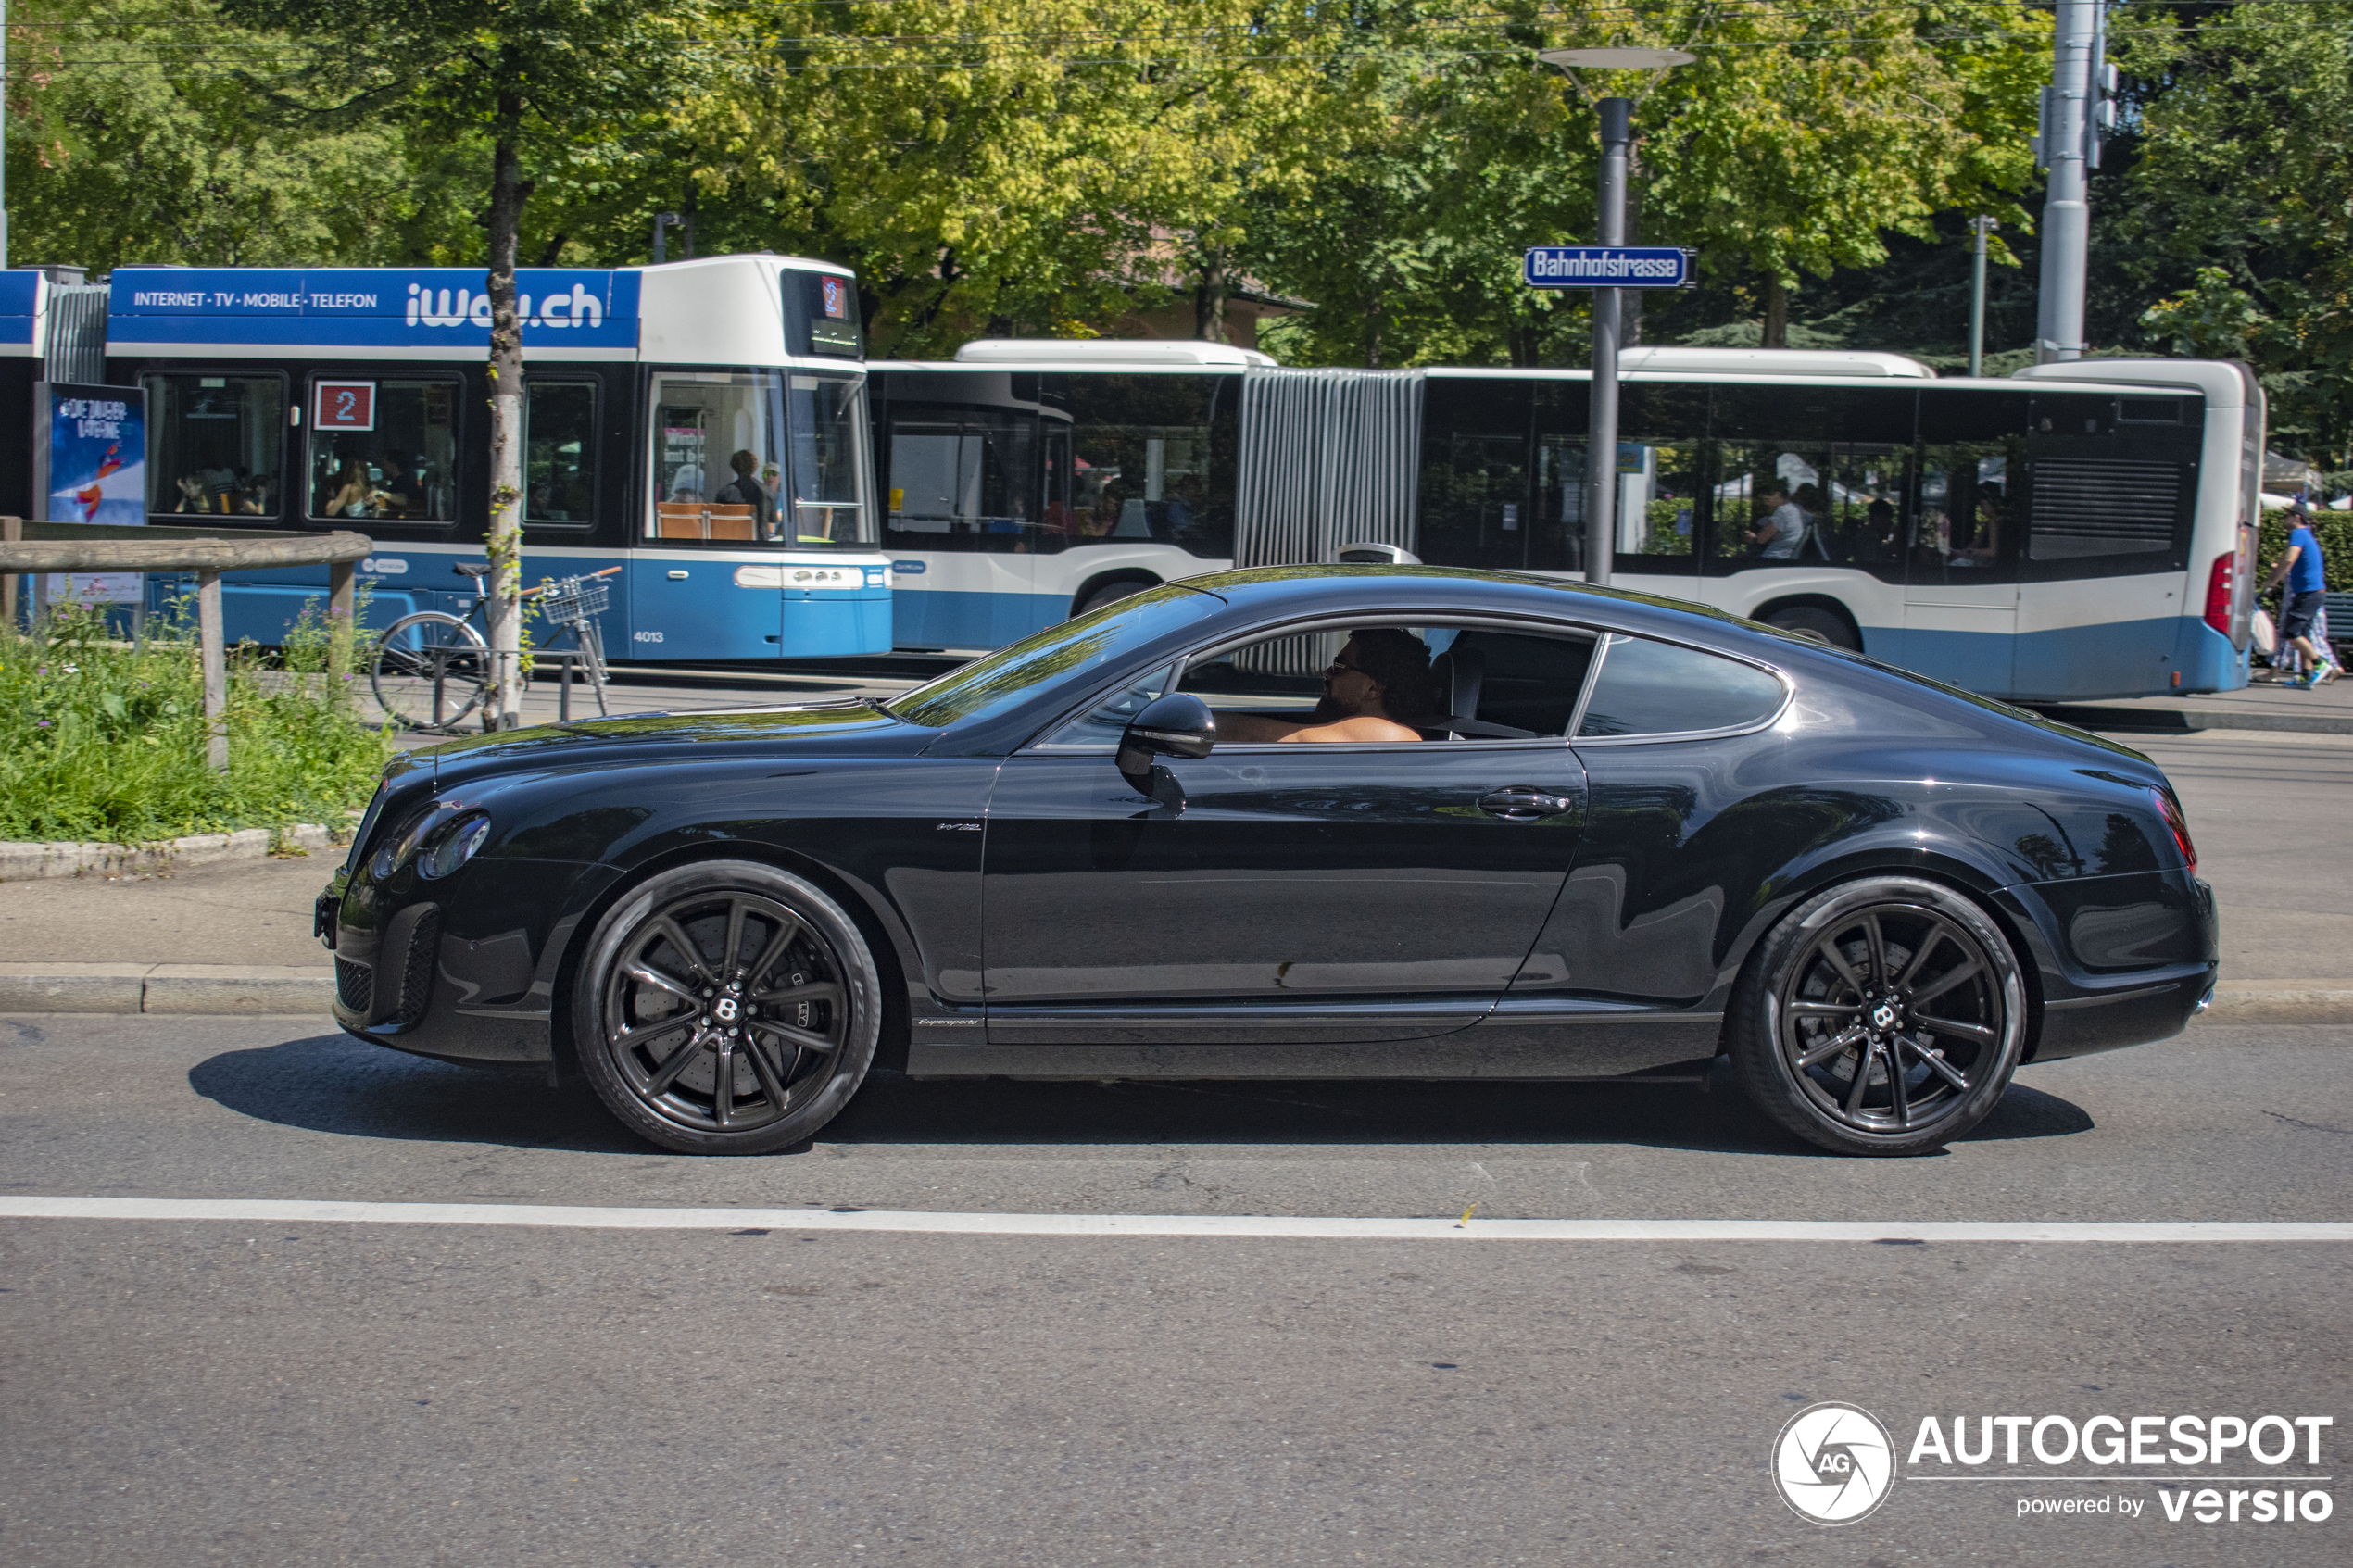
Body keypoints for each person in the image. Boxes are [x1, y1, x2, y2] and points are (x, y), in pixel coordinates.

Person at [1215, 628, 1439, 744]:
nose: (1328, 672)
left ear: (1373, 689)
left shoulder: (1384, 733)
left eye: (1340, 666)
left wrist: (1194, 722)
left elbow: (1264, 737)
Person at [2263, 503, 2339, 685]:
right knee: (2302, 633)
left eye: (2286, 516)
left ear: (2296, 517)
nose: (2284, 520)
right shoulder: (2306, 535)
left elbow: (2290, 557)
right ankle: (2306, 675)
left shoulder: (2298, 533)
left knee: (2291, 632)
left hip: (2309, 593)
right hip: (2311, 593)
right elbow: (2286, 558)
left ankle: (2320, 664)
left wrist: (2274, 581)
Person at [712, 448, 774, 533]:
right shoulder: (767, 492)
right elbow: (770, 529)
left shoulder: (725, 493)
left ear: (734, 469)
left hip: (730, 543)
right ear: (755, 468)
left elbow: (717, 524)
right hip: (759, 545)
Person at [1746, 482, 1807, 559]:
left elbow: (1761, 539)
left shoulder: (1782, 511)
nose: (1766, 504)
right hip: (1784, 555)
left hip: (1773, 557)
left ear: (1777, 494)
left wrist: (1750, 537)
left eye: (1767, 499)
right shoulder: (1792, 509)